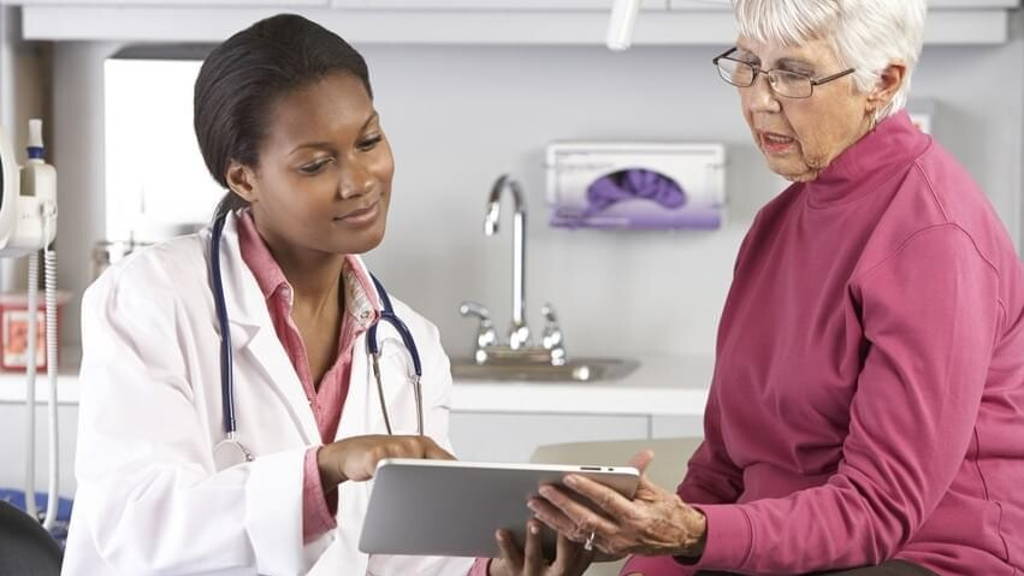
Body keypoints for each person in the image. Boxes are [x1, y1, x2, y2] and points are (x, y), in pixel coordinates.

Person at [62, 14, 590, 576]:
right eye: (315, 164)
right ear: (243, 179)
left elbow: (404, 556)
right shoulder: (149, 297)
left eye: (369, 141)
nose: (359, 180)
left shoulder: (408, 345)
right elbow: (135, 525)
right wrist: (325, 470)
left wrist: (499, 571)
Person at [530, 1, 1024, 574]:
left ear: (884, 82)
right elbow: (722, 468)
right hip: (783, 552)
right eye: (748, 65)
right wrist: (647, 560)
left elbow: (879, 509)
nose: (759, 100)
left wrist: (692, 533)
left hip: (923, 557)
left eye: (793, 74)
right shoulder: (776, 224)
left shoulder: (933, 235)